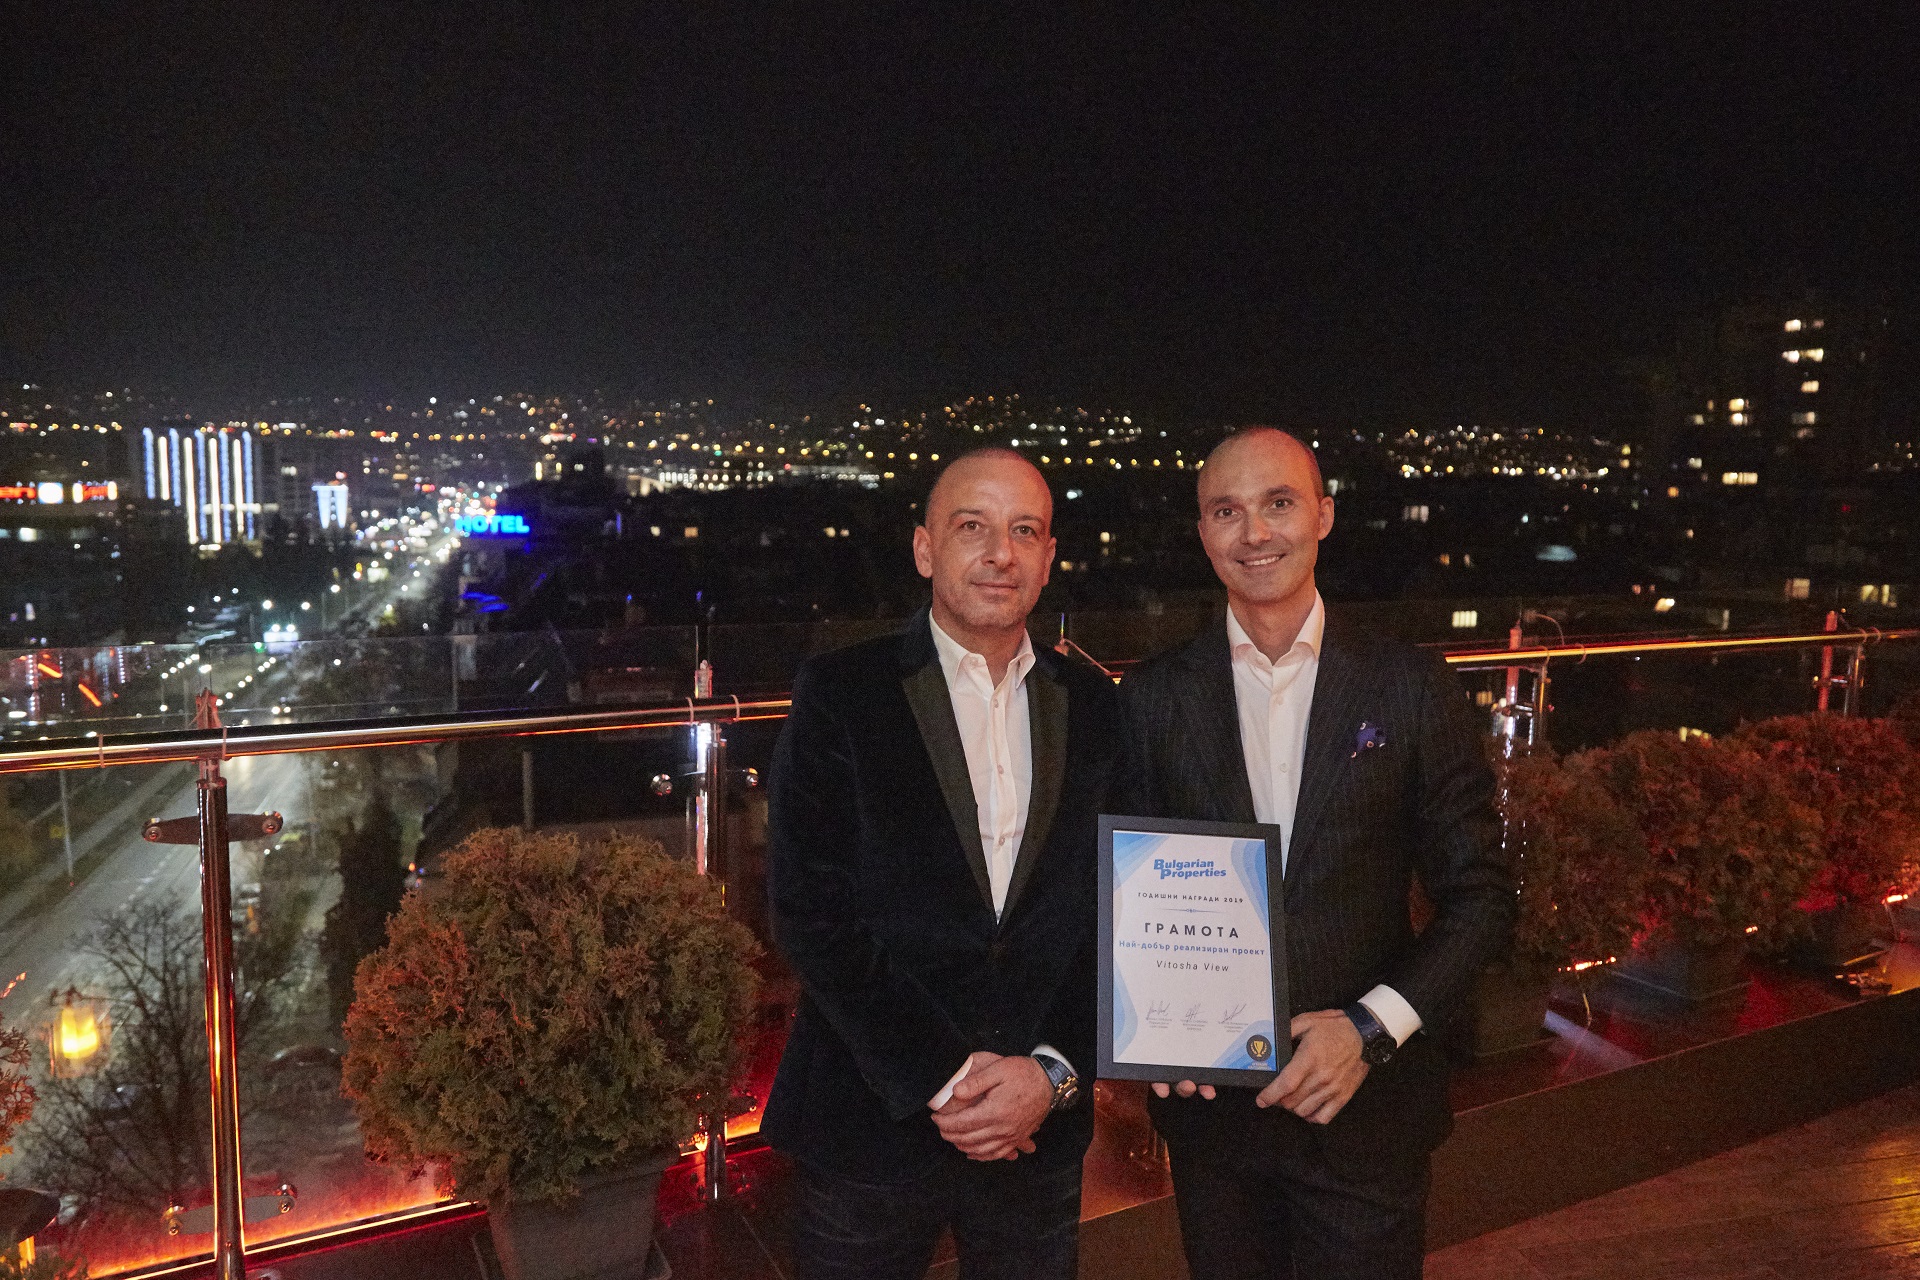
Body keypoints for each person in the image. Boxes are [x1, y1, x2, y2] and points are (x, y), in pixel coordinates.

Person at [1118, 426, 1515, 1280]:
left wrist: (1371, 1030)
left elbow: (1482, 896)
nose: (1254, 532)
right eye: (1227, 511)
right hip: (1215, 1119)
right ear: (1203, 531)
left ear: (1324, 516)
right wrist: (1155, 1031)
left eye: (1279, 503)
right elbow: (1129, 890)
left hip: (1365, 1110)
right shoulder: (1150, 698)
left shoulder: (1411, 686)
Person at [763, 447, 1121, 1280]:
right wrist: (945, 1077)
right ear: (925, 549)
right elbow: (810, 911)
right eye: (972, 527)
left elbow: (1111, 915)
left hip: (1035, 1127)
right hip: (870, 1120)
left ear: (1048, 559)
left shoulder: (1098, 708)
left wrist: (1052, 1074)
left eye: (1024, 530)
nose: (1000, 553)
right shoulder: (842, 692)